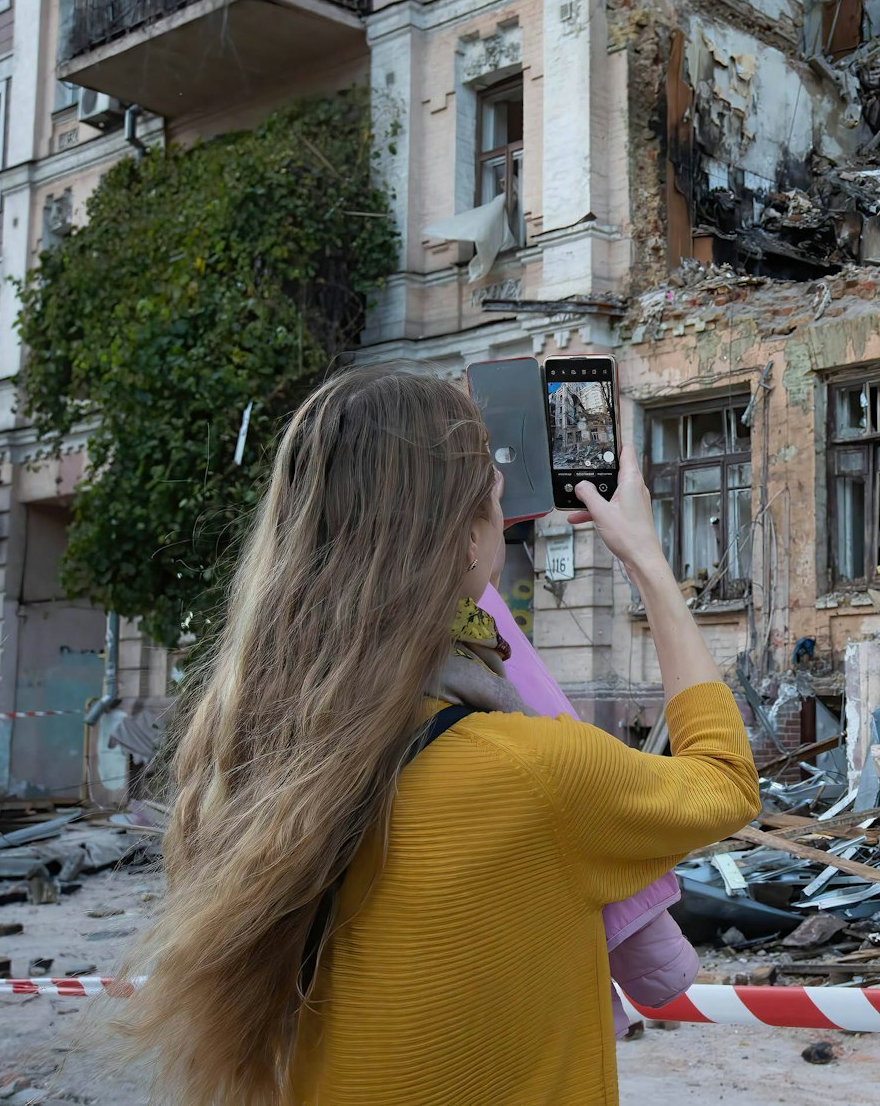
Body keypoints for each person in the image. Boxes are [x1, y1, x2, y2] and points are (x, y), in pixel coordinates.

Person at [106, 367, 760, 1104]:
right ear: (463, 538)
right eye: (492, 494)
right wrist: (646, 560)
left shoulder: (251, 763)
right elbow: (726, 777)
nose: (504, 512)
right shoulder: (534, 774)